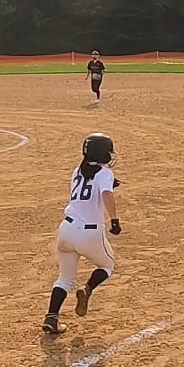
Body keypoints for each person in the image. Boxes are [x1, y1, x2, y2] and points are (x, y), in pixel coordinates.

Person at [43, 133, 121, 335]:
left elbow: (90, 182)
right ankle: (87, 289)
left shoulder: (77, 171)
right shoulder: (105, 173)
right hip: (89, 233)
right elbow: (106, 194)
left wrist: (108, 181)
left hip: (66, 230)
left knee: (65, 278)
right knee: (106, 266)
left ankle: (51, 317)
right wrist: (114, 220)